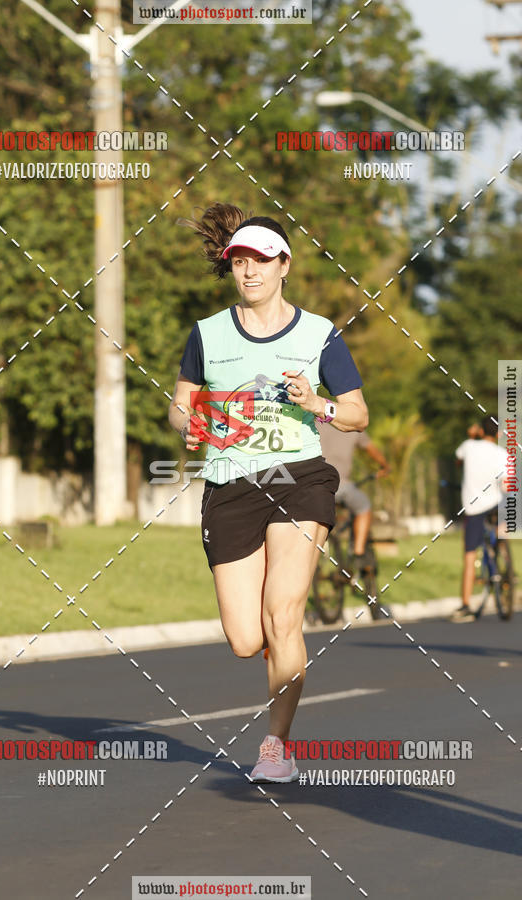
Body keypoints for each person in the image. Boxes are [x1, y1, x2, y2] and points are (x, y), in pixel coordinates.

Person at [168, 203, 368, 782]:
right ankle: (278, 653)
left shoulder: (319, 334)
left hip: (299, 477)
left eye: (261, 260)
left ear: (284, 264)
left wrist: (319, 404)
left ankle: (276, 746)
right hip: (230, 485)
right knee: (244, 638)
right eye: (240, 261)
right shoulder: (206, 334)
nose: (250, 271)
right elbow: (179, 412)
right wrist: (202, 421)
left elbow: (356, 413)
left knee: (283, 616)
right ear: (230, 267)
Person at [452, 415, 508, 621]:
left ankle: (465, 605)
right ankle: (505, 563)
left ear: (481, 431)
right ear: (499, 433)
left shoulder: (468, 446)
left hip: (474, 508)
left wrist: (472, 435)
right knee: (499, 528)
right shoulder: (502, 453)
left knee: (469, 556)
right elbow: (507, 484)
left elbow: (458, 461)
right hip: (496, 504)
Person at [316, 424, 390, 574]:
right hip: (340, 484)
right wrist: (384, 466)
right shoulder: (351, 424)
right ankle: (359, 553)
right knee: (364, 506)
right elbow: (371, 449)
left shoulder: (313, 422)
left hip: (314, 485)